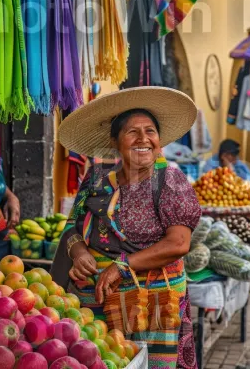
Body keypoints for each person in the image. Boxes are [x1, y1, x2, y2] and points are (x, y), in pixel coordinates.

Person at [51, 87, 201, 369]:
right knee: (100, 359)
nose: (143, 139)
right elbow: (72, 226)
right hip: (95, 296)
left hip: (153, 301)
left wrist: (122, 266)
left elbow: (178, 244)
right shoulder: (95, 177)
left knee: (153, 364)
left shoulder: (171, 181)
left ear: (159, 141)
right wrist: (79, 252)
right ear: (115, 141)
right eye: (133, 132)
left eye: (150, 132)